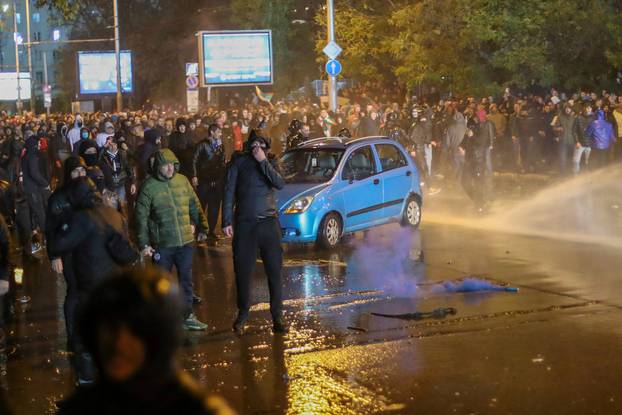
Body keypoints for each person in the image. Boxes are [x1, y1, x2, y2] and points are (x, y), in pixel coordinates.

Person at [56, 267, 233, 415]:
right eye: (111, 330)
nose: (119, 344)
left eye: (133, 334)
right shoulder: (80, 409)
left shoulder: (201, 410)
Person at [49, 176, 138, 384]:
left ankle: (88, 379)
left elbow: (57, 245)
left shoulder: (82, 218)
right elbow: (126, 251)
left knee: (85, 334)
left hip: (91, 286)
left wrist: (64, 223)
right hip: (115, 284)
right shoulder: (113, 214)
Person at [135, 149, 209, 331]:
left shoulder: (182, 181)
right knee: (161, 283)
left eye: (172, 164)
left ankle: (187, 316)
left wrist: (203, 227)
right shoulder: (149, 187)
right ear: (158, 166)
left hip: (184, 242)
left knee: (186, 280)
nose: (169, 168)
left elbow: (194, 205)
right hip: (163, 245)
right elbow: (141, 217)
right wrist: (143, 243)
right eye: (165, 165)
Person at [222, 130, 287, 334]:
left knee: (274, 272)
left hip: (268, 222)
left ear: (266, 146)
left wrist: (263, 162)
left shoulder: (271, 161)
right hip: (245, 224)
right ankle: (242, 315)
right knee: (243, 271)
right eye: (254, 144)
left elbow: (279, 183)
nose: (257, 147)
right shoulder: (239, 162)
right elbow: (229, 191)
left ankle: (277, 316)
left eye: (261, 144)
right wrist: (226, 221)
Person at [46, 156, 87, 348]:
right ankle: (73, 334)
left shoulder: (89, 193)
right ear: (68, 174)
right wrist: (54, 255)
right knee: (74, 291)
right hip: (69, 251)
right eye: (75, 171)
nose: (80, 175)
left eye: (82, 171)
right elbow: (51, 228)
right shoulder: (58, 197)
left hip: (88, 249)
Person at [192, 124, 226, 240]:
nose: (221, 134)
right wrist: (195, 175)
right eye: (219, 132)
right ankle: (201, 230)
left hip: (216, 182)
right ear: (212, 132)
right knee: (201, 206)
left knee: (214, 207)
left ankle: (211, 231)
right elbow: (194, 160)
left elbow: (222, 162)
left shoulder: (221, 146)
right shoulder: (202, 145)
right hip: (204, 181)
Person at [99, 135, 136, 206]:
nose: (112, 146)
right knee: (113, 206)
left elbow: (128, 169)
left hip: (120, 184)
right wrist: (103, 147)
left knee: (121, 204)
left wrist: (132, 182)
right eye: (110, 144)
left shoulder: (122, 154)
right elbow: (97, 159)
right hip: (109, 186)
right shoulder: (103, 156)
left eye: (114, 144)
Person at [573, 104, 595, 174]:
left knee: (587, 162)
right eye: (586, 108)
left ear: (591, 109)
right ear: (583, 109)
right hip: (580, 143)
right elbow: (574, 131)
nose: (587, 109)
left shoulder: (593, 118)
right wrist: (577, 141)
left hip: (589, 144)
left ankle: (586, 176)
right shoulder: (578, 118)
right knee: (576, 161)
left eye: (589, 108)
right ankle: (575, 177)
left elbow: (595, 132)